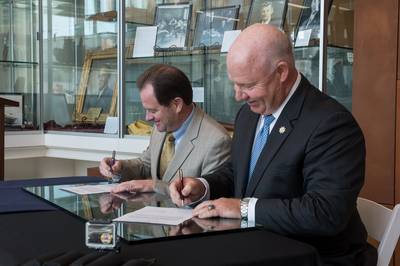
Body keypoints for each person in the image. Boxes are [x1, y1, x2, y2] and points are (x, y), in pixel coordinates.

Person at [169, 24, 376, 265]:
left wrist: (243, 208)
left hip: (316, 257)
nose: (238, 95)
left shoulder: (331, 124)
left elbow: (325, 212)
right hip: (255, 249)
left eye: (247, 85)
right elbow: (240, 173)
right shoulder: (249, 114)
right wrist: (203, 186)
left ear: (281, 72)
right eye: (235, 84)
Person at [99, 64, 231, 196]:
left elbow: (207, 195)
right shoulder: (162, 125)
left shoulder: (217, 141)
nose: (147, 117)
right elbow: (146, 165)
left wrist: (155, 185)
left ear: (177, 104)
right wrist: (119, 168)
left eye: (153, 110)